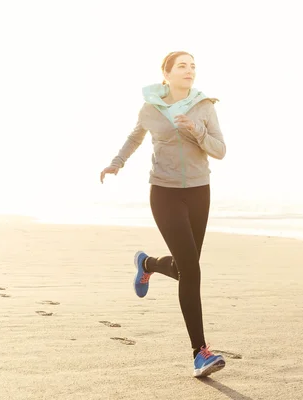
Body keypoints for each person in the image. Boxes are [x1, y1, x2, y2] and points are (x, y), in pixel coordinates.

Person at [100, 51, 227, 378]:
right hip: (165, 192)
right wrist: (117, 161)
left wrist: (197, 129)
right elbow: (135, 136)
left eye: (193, 66)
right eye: (182, 66)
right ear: (166, 74)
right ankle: (200, 353)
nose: (190, 71)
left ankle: (148, 264)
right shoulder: (151, 108)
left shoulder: (205, 106)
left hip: (199, 192)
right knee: (192, 270)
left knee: (188, 267)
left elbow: (220, 150)